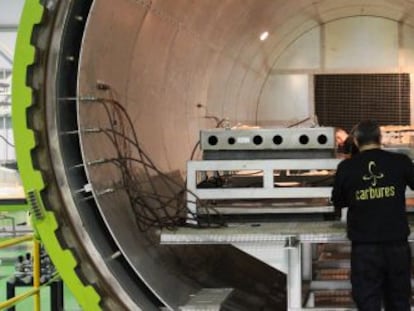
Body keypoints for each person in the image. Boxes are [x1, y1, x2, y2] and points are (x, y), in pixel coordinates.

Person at [332, 120, 413, 310]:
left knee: (367, 301)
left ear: (357, 141)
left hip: (364, 247)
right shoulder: (400, 162)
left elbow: (338, 201)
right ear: (380, 138)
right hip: (396, 244)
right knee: (399, 300)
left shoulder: (347, 168)